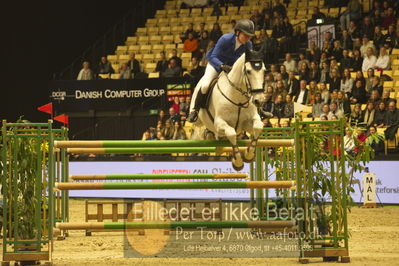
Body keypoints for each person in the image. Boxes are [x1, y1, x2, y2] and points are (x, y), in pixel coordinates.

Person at [187, 19, 255, 122]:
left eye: (249, 36)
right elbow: (213, 56)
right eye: (246, 35)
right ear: (237, 32)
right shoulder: (225, 39)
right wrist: (222, 66)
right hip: (215, 64)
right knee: (205, 85)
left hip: (231, 69)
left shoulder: (248, 45)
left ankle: (257, 109)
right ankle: (195, 111)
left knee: (248, 83)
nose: (248, 38)